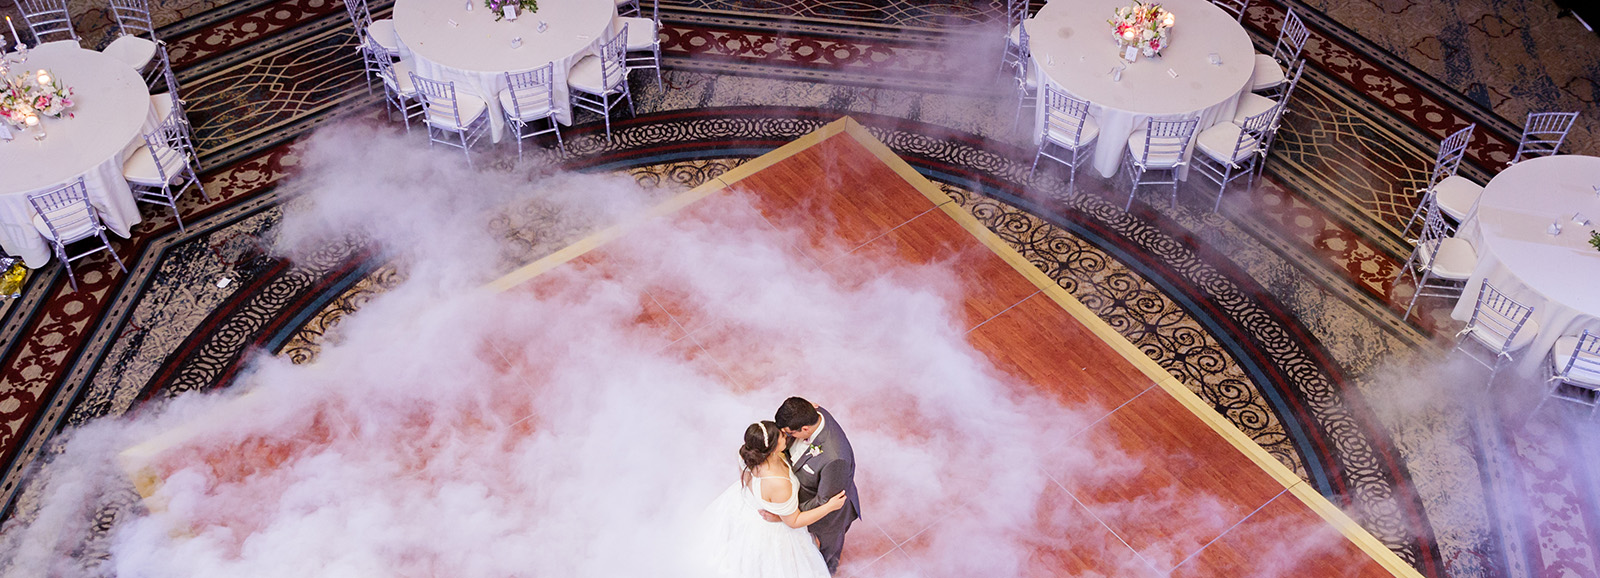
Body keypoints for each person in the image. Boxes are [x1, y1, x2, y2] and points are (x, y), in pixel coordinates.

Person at [698, 420, 849, 578]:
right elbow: (794, 521)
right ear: (772, 448)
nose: (786, 436)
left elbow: (749, 483)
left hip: (750, 504)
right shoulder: (778, 483)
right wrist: (830, 506)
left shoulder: (746, 452)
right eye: (782, 436)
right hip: (772, 527)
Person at [767, 397, 860, 574]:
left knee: (828, 553)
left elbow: (825, 500)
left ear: (805, 429)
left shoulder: (835, 459)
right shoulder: (812, 412)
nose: (787, 437)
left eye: (790, 434)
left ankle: (827, 572)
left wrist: (787, 514)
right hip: (805, 494)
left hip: (830, 515)